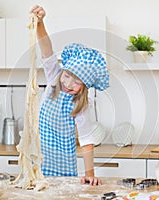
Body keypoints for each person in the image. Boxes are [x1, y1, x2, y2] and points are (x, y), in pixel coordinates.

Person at [30, 5, 109, 186]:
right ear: (62, 71)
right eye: (67, 76)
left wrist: (90, 173)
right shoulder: (53, 78)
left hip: (65, 166)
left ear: (85, 87)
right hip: (39, 162)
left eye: (76, 82)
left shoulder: (79, 105)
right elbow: (46, 49)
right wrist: (40, 24)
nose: (67, 84)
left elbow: (86, 139)